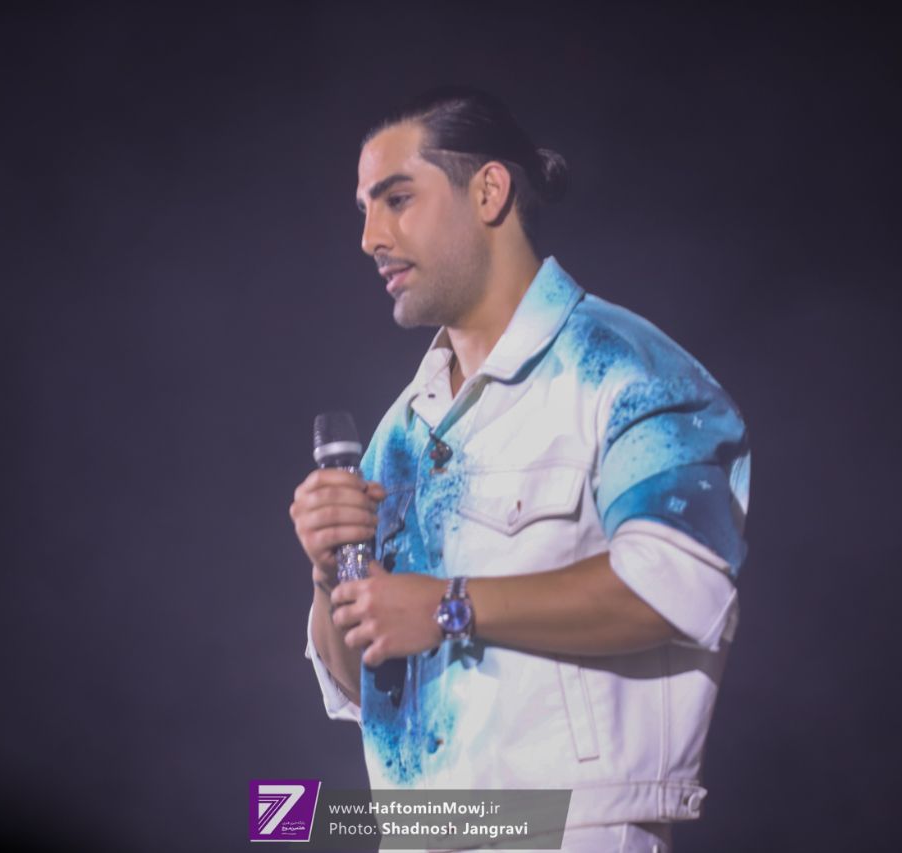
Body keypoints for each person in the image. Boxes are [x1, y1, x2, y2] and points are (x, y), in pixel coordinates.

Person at [291, 86, 751, 853]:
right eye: (364, 210)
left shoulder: (628, 371)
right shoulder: (398, 433)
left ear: (489, 191)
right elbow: (360, 686)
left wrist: (450, 605)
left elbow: (681, 587)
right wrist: (326, 571)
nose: (370, 236)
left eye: (397, 199)